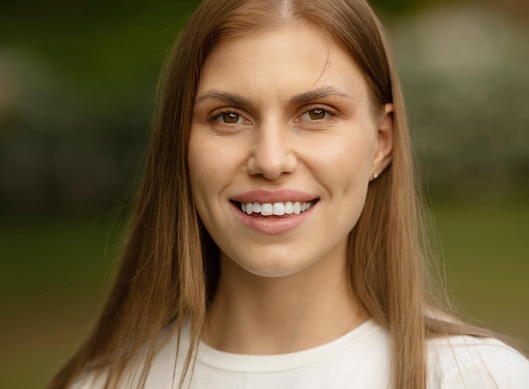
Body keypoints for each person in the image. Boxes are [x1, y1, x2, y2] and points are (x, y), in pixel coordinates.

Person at [51, 0, 529, 387]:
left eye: (317, 113)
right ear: (181, 143)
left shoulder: (479, 378)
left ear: (381, 144)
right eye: (229, 117)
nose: (272, 160)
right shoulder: (105, 385)